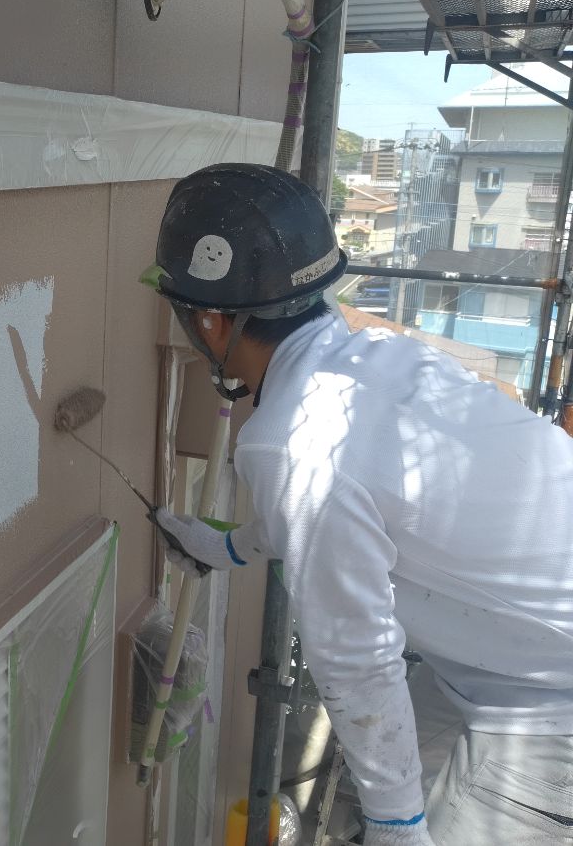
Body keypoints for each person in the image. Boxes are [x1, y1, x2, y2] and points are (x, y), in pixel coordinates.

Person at [142, 163, 573, 846]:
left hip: (550, 702)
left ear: (210, 323)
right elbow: (346, 512)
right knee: (392, 783)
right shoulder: (377, 359)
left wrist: (397, 828)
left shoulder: (294, 443)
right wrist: (224, 548)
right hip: (509, 661)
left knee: (401, 814)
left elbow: (355, 657)